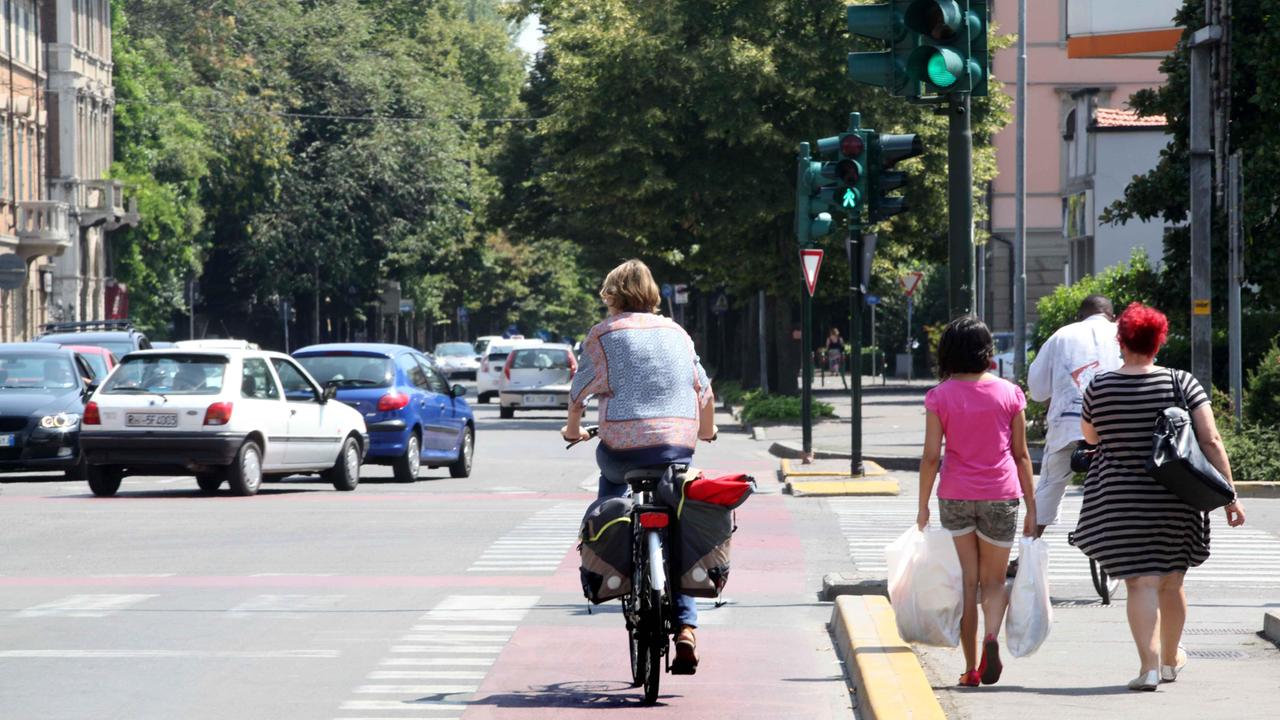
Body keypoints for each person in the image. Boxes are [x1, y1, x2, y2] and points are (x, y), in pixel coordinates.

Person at [1071, 303, 1246, 691]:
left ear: (1122, 340)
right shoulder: (1181, 383)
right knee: (1171, 582)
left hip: (1120, 501)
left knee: (1139, 583)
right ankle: (1170, 661)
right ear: (1158, 341)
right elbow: (1211, 441)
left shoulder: (1099, 386)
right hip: (1176, 497)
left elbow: (1091, 438)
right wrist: (1230, 496)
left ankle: (1148, 667)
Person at [562, 259, 717, 675]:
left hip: (623, 450)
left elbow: (579, 392)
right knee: (678, 518)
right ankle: (686, 627)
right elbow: (703, 390)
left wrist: (572, 429)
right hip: (675, 448)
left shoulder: (603, 335)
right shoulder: (678, 333)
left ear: (612, 296)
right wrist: (707, 431)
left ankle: (614, 562)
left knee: (610, 489)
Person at [917, 316, 1036, 688]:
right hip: (1000, 495)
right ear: (987, 351)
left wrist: (922, 505)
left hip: (954, 494)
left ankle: (970, 668)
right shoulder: (1010, 393)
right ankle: (991, 638)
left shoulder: (939, 396)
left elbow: (931, 457)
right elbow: (1021, 455)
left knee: (967, 583)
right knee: (994, 582)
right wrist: (1033, 507)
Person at [1026, 295, 1122, 538]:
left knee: (1049, 487)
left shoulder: (1062, 335)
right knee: (1126, 485)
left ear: (1080, 316)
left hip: (1068, 425)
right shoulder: (1124, 333)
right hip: (1116, 427)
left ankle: (1027, 552)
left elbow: (1037, 390)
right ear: (1112, 315)